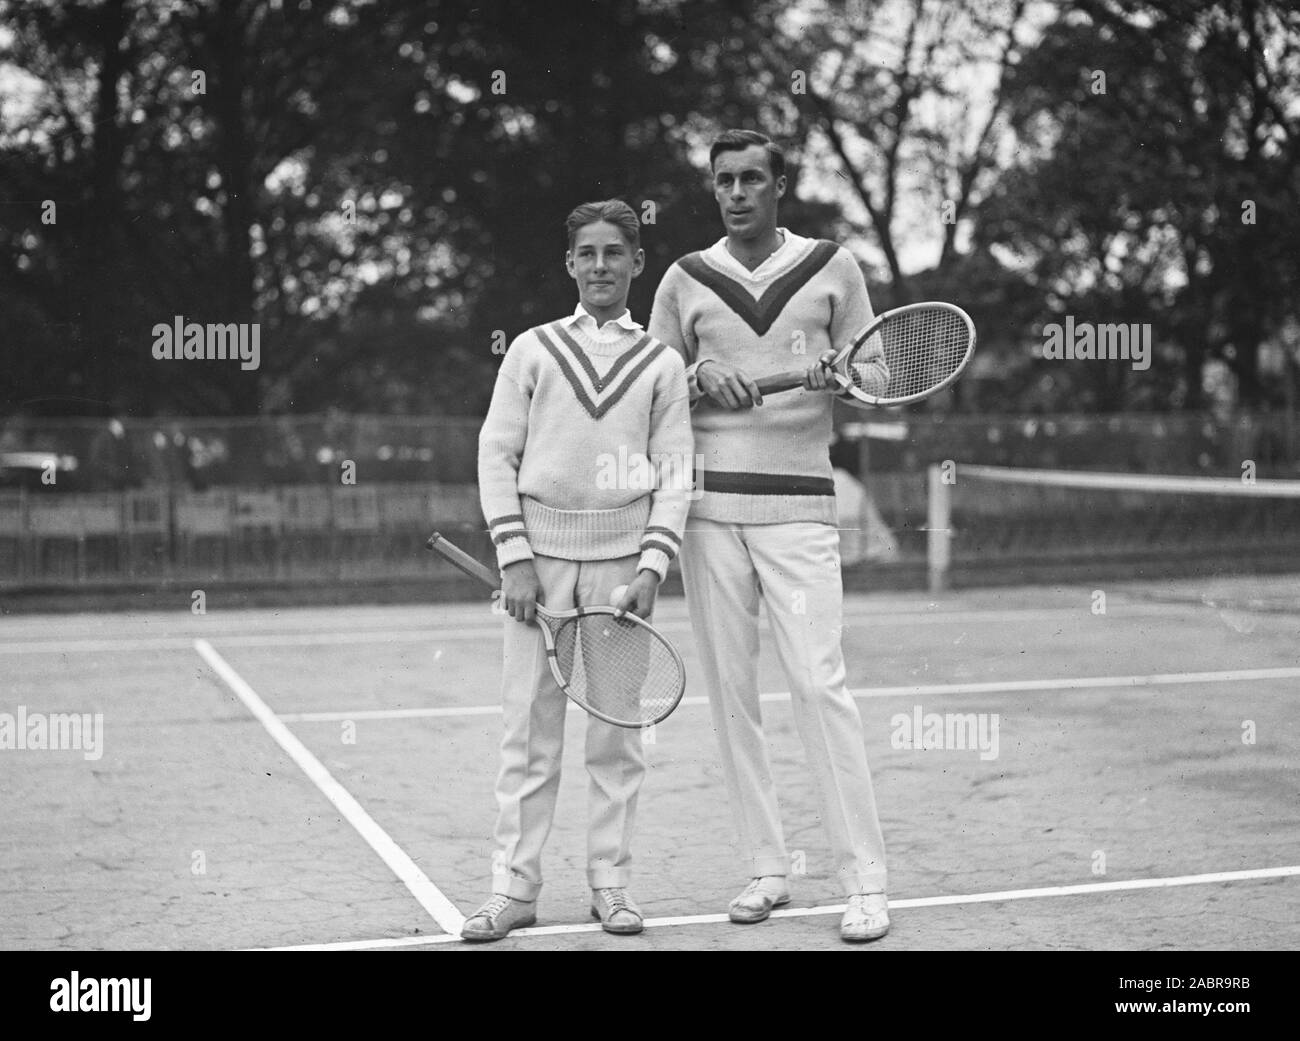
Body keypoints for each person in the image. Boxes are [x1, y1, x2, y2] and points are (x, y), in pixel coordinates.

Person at [648, 129, 891, 943]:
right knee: (732, 696)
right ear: (713, 189)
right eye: (724, 180)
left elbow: (883, 377)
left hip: (800, 512)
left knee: (820, 687)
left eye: (754, 177)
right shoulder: (685, 278)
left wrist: (841, 374)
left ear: (780, 185)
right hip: (709, 515)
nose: (738, 191)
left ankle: (865, 882)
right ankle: (767, 867)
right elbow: (646, 395)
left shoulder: (836, 266)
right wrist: (693, 376)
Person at [464, 199, 693, 942]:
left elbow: (676, 473)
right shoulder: (531, 349)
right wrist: (516, 559)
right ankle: (514, 888)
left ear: (637, 263)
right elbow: (495, 453)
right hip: (538, 571)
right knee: (528, 735)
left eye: (615, 253)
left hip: (623, 573)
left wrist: (653, 567)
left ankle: (611, 883)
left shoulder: (661, 362)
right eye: (587, 253)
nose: (601, 266)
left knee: (616, 737)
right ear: (570, 264)